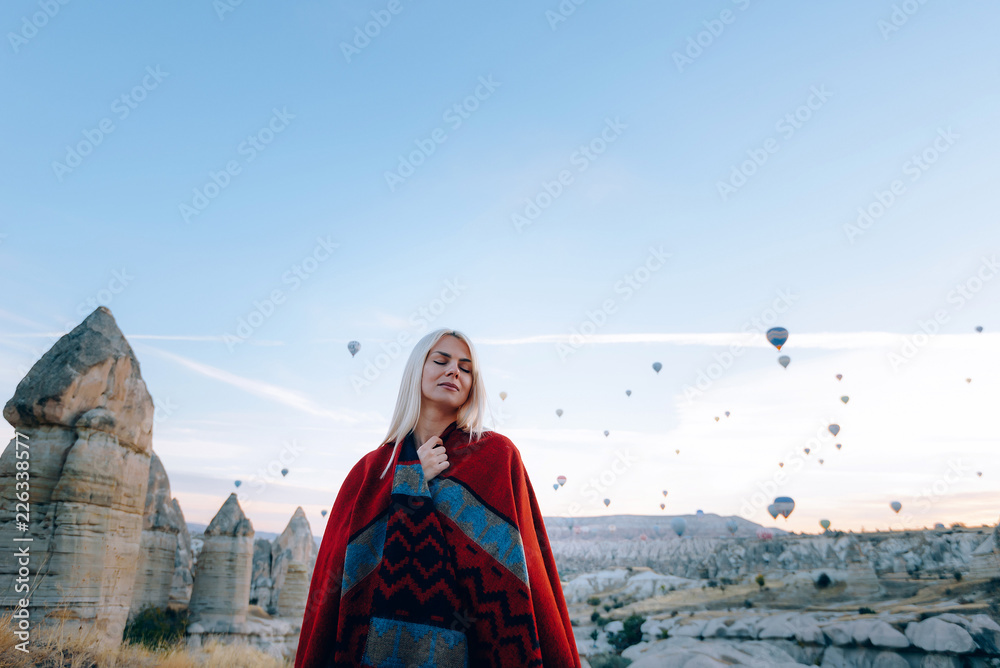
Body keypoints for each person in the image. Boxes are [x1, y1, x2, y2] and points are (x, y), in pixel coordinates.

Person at [295, 328, 582, 667]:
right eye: (441, 361)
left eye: (465, 367)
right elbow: (343, 564)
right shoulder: (370, 469)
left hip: (479, 648)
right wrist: (410, 477)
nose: (453, 372)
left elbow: (524, 567)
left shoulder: (496, 456)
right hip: (370, 646)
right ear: (417, 370)